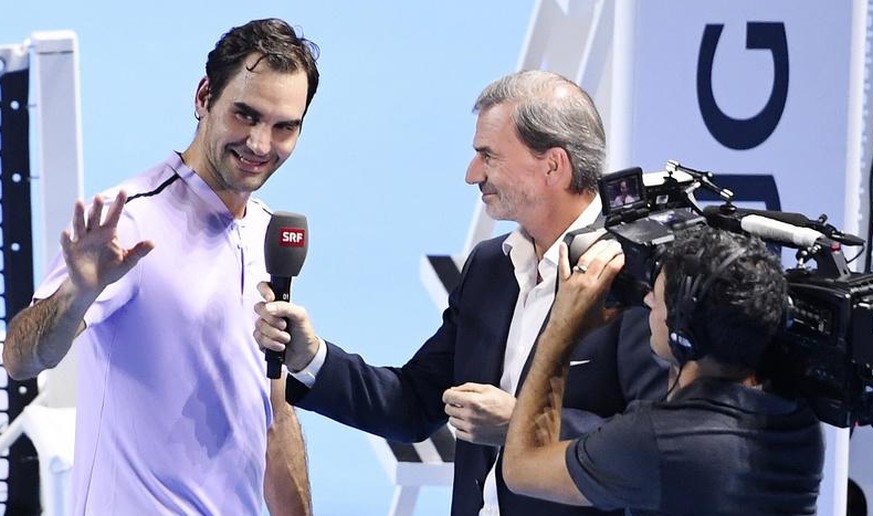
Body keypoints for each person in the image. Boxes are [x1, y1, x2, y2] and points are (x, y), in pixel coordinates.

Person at [254, 70, 668, 515]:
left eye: (488, 156)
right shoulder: (490, 268)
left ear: (553, 165)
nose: (472, 175)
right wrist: (310, 357)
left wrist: (521, 424)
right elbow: (413, 403)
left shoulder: (638, 276)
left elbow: (660, 446)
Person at [3, 18, 319, 515]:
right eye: (245, 115)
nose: (260, 144)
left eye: (284, 127)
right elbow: (20, 359)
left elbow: (273, 413)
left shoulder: (267, 234)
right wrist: (77, 294)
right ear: (203, 97)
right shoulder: (129, 219)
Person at [503, 227, 825, 514]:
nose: (646, 301)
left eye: (655, 297)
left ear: (683, 335)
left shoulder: (654, 442)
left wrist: (561, 330)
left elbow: (522, 467)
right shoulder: (800, 423)